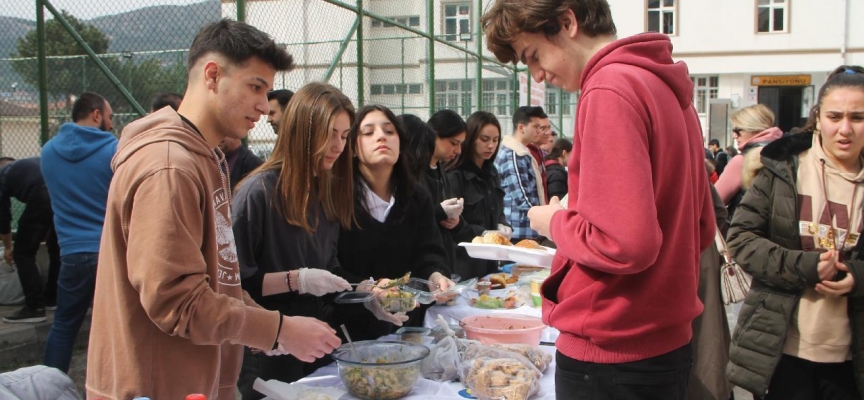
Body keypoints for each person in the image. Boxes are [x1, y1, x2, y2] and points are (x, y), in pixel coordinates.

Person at [84, 20, 333, 400]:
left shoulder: (205, 158)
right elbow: (177, 301)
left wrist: (270, 331)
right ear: (213, 75)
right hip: (155, 386)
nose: (264, 107)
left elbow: (222, 283)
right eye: (255, 87)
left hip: (198, 382)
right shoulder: (169, 166)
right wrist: (278, 329)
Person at [483, 1, 715, 398]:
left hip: (612, 348)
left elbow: (627, 244)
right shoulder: (666, 89)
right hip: (664, 342)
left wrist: (553, 222)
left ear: (567, 22)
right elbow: (703, 226)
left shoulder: (608, 88)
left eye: (533, 55)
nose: (537, 74)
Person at [726, 65, 864, 400]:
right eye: (834, 116)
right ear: (818, 118)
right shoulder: (782, 166)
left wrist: (857, 276)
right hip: (784, 348)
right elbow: (741, 239)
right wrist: (804, 266)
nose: (845, 129)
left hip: (850, 356)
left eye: (858, 117)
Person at [232, 83, 369, 398]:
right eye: (329, 133)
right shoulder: (257, 193)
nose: (338, 145)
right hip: (267, 350)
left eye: (345, 136)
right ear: (301, 132)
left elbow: (330, 266)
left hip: (314, 342)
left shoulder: (326, 190)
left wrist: (366, 292)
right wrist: (297, 279)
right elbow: (236, 286)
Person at [334, 105, 455, 338]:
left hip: (406, 324)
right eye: (368, 132)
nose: (381, 136)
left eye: (390, 131)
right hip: (348, 330)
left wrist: (435, 276)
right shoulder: (336, 198)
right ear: (353, 148)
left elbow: (428, 250)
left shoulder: (416, 196)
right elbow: (329, 266)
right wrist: (369, 290)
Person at [41, 92, 117, 373]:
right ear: (96, 115)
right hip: (107, 253)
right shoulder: (114, 151)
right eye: (109, 118)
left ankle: (49, 385)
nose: (111, 125)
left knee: (63, 325)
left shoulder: (48, 151)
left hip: (71, 253)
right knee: (112, 328)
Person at [447, 111, 510, 279]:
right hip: (464, 262)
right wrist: (485, 234)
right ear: (470, 138)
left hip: (491, 261)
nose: (490, 145)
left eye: (495, 140)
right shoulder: (455, 175)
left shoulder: (492, 172)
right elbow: (453, 223)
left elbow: (498, 208)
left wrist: (502, 224)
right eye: (484, 139)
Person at [0, 157, 60, 324]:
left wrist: (8, 247)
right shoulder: (29, 164)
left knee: (23, 253)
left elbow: (3, 217)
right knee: (56, 248)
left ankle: (34, 307)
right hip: (63, 195)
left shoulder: (3, 175)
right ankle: (52, 298)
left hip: (41, 196)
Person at [714, 104, 783, 222]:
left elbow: (714, 203)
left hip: (743, 232)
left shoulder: (741, 161)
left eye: (738, 130)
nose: (734, 135)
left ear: (754, 129)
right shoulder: (788, 155)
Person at [495, 105, 548, 242]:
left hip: (523, 229)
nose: (539, 131)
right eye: (536, 127)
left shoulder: (520, 152)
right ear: (521, 128)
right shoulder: (513, 154)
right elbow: (522, 197)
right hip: (518, 231)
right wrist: (542, 219)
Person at [426, 109, 467, 268]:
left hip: (445, 258)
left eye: (460, 144)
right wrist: (439, 212)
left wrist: (455, 220)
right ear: (434, 135)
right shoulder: (415, 171)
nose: (458, 151)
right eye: (453, 143)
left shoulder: (440, 169)